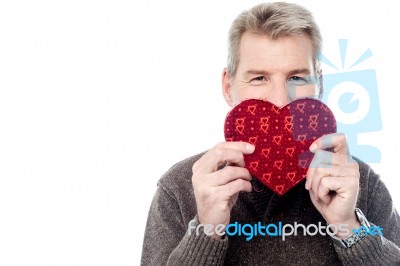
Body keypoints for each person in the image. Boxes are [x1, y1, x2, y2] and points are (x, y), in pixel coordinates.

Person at [141, 2, 400, 265]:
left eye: (297, 78)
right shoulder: (179, 188)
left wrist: (350, 227)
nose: (279, 100)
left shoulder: (361, 183)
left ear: (319, 85)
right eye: (259, 78)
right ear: (228, 87)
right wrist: (206, 231)